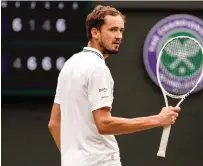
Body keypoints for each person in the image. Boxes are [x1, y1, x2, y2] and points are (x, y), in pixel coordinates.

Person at [48, 5, 181, 166]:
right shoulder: (98, 69)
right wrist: (158, 120)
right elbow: (104, 124)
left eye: (121, 30)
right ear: (95, 33)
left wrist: (76, 159)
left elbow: (54, 123)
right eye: (112, 30)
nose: (118, 36)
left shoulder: (69, 65)